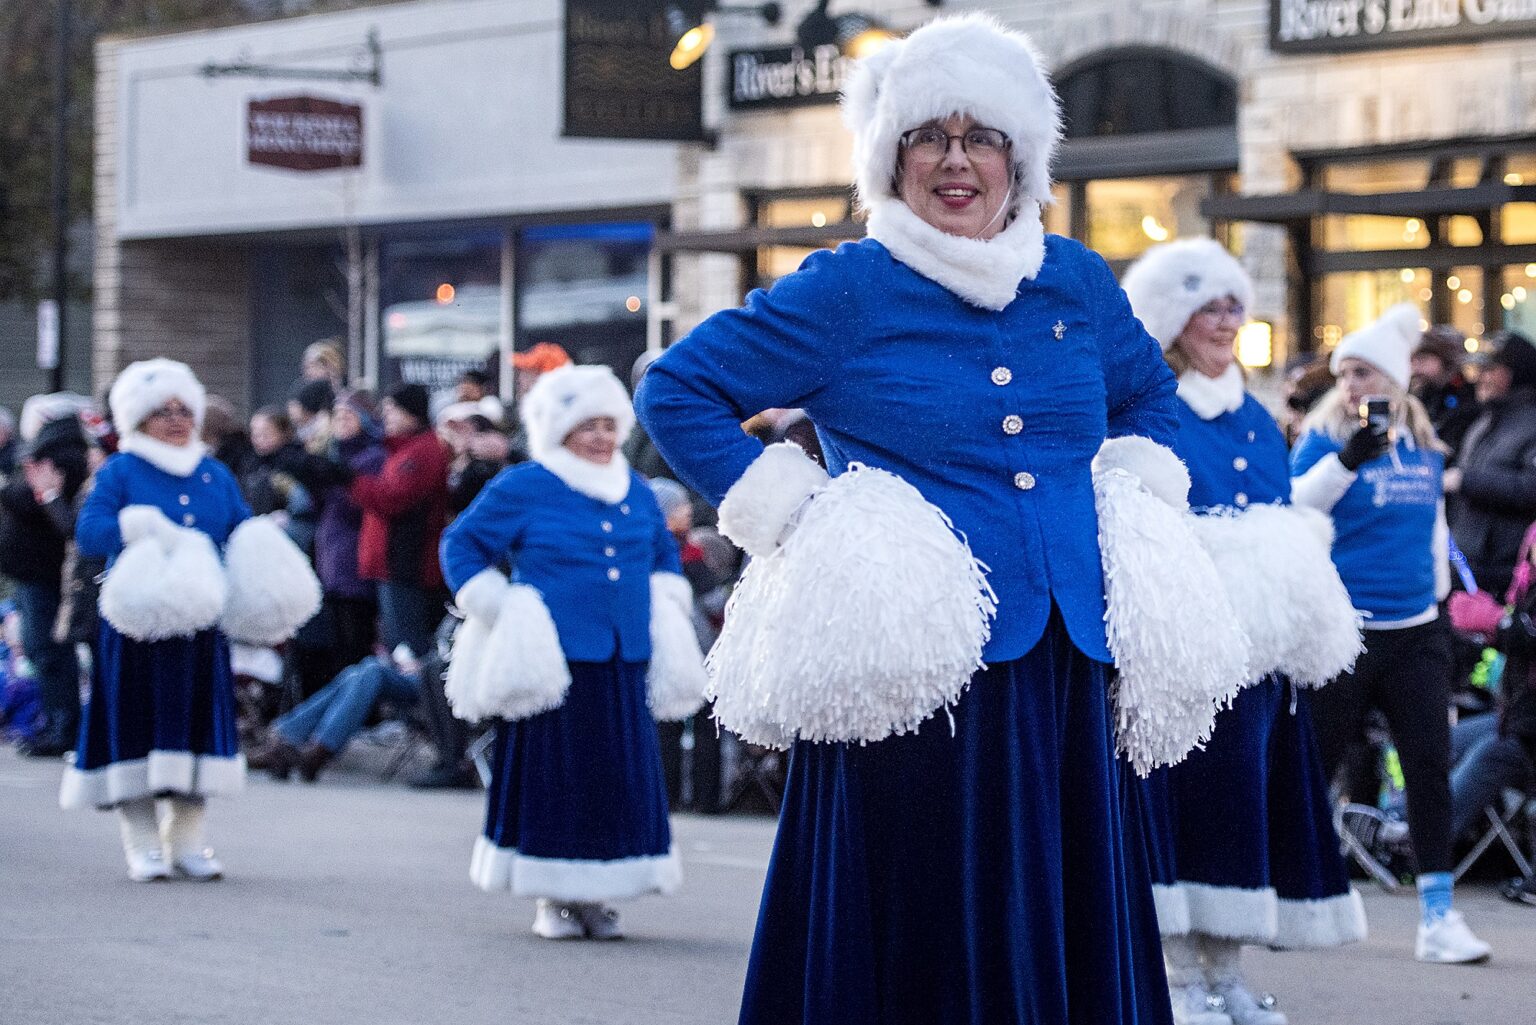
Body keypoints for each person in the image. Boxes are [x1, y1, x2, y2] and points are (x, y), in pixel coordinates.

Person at [636, 16, 1198, 1023]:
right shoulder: (850, 289)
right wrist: (797, 512)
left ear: (1019, 158)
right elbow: (677, 388)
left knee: (1062, 910)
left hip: (1066, 661)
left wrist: (1135, 491)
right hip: (913, 668)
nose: (955, 159)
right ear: (889, 159)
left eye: (981, 136)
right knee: (920, 920)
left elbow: (1153, 400)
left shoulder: (1073, 278)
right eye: (927, 137)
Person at [1123, 239, 1365, 1025]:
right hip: (1183, 650)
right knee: (1181, 809)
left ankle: (1224, 976)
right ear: (1171, 319)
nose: (1225, 321)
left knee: (1240, 810)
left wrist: (1345, 467)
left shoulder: (1259, 419)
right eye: (1207, 307)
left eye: (1232, 304)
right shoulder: (1147, 407)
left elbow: (1287, 512)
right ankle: (1182, 983)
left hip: (1257, 658)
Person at [440, 363, 698, 940]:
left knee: (617, 779)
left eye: (610, 425)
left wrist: (665, 598)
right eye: (589, 427)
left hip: (624, 657)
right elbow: (462, 544)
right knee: (559, 778)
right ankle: (553, 897)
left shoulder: (633, 487)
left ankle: (603, 893)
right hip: (554, 663)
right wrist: (497, 602)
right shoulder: (524, 484)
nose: (602, 438)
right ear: (560, 430)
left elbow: (662, 554)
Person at [1291, 304, 1492, 963]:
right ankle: (1296, 898)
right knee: (1313, 763)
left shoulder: (1427, 446)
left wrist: (1442, 607)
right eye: (1345, 374)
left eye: (1365, 373)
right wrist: (1348, 460)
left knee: (1429, 766)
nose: (1352, 386)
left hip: (1416, 629)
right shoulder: (1324, 440)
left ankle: (1438, 915)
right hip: (1343, 629)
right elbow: (1292, 510)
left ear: (1395, 381)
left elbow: (1432, 532)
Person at [59, 360, 293, 881]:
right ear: (138, 419)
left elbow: (237, 530)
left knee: (196, 730)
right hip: (136, 626)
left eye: (184, 410)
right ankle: (141, 842)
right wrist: (137, 527)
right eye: (162, 411)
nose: (176, 419)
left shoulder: (213, 473)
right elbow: (91, 533)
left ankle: (186, 842)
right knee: (134, 726)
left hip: (198, 628)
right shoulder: (121, 470)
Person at [0, 413, 91, 757]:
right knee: (40, 651)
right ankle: (54, 722)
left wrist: (33, 489)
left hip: (45, 577)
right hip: (31, 576)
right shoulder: (46, 456)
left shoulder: (61, 458)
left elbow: (22, 499)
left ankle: (62, 726)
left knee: (50, 653)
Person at [350, 383, 451, 665]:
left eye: (393, 408)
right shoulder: (402, 450)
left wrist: (348, 479)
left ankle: (412, 708)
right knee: (396, 648)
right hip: (394, 564)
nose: (386, 415)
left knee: (408, 652)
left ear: (413, 414)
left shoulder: (421, 452)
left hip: (406, 565)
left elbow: (393, 499)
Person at [1446, 330, 1536, 599]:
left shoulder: (1531, 423)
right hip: (1466, 567)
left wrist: (1465, 480)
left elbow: (1531, 488)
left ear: (1516, 373)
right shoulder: (1483, 420)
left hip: (1504, 576)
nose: (1480, 378)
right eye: (1479, 369)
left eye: (1490, 370)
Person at [249, 650, 421, 782]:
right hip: (421, 671)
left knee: (372, 671)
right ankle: (290, 743)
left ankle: (313, 749)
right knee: (357, 672)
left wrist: (423, 664)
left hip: (436, 678)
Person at [313, 391, 387, 676]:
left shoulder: (373, 457)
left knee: (356, 643)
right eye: (338, 416)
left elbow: (359, 506)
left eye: (349, 416)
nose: (341, 422)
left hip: (356, 562)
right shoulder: (333, 453)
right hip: (333, 559)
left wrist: (335, 478)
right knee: (337, 644)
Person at [1412, 325, 1479, 458]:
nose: (1415, 368)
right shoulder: (1424, 394)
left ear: (1446, 361)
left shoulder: (1470, 399)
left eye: (1423, 360)